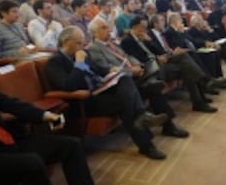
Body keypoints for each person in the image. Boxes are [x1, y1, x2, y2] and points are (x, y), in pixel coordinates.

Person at [44, 26, 169, 160]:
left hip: (101, 90)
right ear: (65, 41)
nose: (81, 46)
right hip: (86, 101)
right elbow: (68, 86)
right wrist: (79, 63)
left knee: (125, 80)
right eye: (78, 42)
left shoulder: (81, 53)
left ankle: (143, 125)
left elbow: (98, 70)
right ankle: (145, 134)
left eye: (82, 42)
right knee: (127, 103)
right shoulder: (55, 61)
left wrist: (110, 70)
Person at [0, 79, 95, 185]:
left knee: (72, 145)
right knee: (32, 163)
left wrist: (43, 115)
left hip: (9, 141)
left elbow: (6, 102)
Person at [86, 18, 189, 138]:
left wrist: (137, 66)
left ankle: (168, 126)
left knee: (154, 88)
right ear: (94, 33)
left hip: (134, 77)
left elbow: (126, 57)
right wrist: (131, 71)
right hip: (120, 84)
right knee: (150, 88)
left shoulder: (112, 44)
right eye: (103, 28)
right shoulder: (93, 48)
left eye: (107, 27)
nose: (109, 30)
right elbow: (107, 70)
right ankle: (151, 124)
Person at [121, 16, 220, 113]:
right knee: (186, 67)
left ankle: (201, 94)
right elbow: (138, 59)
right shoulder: (127, 41)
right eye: (142, 27)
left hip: (160, 61)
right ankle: (203, 87)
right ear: (134, 27)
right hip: (152, 68)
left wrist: (150, 42)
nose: (144, 30)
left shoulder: (144, 36)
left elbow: (157, 50)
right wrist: (157, 58)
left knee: (185, 58)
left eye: (145, 27)